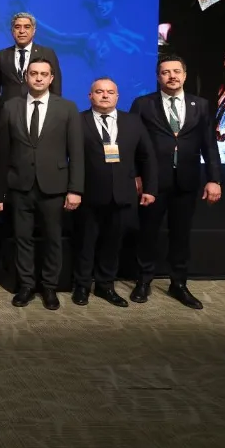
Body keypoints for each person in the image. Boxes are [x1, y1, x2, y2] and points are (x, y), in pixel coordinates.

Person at [130, 56, 222, 309]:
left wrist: (214, 179)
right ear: (158, 77)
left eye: (176, 71)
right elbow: (133, 144)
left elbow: (209, 145)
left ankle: (178, 283)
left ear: (185, 75)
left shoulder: (200, 105)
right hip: (152, 182)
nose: (172, 76)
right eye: (165, 72)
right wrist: (136, 175)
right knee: (148, 233)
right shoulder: (143, 104)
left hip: (187, 181)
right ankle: (143, 281)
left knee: (181, 235)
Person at [0, 57, 83, 310]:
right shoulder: (11, 106)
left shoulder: (67, 108)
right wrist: (0, 190)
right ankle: (26, 286)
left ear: (52, 78)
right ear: (26, 77)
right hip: (19, 185)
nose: (39, 78)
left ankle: (50, 287)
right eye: (34, 73)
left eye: (44, 74)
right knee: (22, 238)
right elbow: (3, 151)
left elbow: (76, 152)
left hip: (54, 186)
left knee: (53, 239)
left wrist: (75, 189)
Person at [74, 78, 157, 308]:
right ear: (90, 96)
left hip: (123, 194)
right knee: (85, 243)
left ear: (117, 97)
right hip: (87, 194)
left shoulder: (133, 121)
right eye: (99, 91)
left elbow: (147, 156)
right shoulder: (77, 121)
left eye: (110, 92)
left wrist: (150, 188)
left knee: (113, 243)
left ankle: (105, 285)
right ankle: (82, 286)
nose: (105, 96)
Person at [0, 12, 62, 119]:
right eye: (17, 27)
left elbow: (55, 87)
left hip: (39, 113)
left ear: (34, 31)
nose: (22, 31)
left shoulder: (47, 53)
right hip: (7, 114)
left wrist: (54, 115)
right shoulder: (1, 55)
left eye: (27, 27)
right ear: (12, 31)